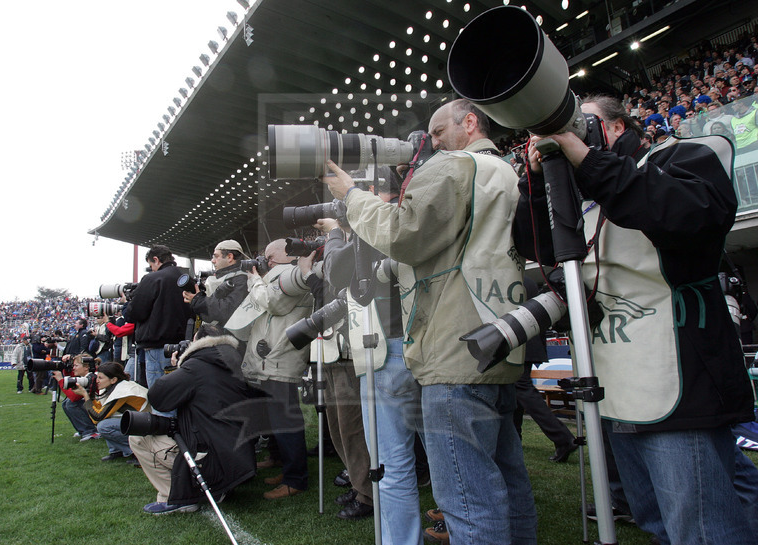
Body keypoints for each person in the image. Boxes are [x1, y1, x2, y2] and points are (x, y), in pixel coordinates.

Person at [514, 93, 756, 545]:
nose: (566, 133)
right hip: (616, 386)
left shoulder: (685, 154)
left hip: (678, 379)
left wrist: (585, 158)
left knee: (702, 529)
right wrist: (535, 182)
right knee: (656, 520)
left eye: (580, 123)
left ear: (617, 127)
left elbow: (690, 214)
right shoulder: (588, 194)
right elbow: (540, 250)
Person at [322, 98, 537, 544]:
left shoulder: (457, 166)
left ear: (470, 122)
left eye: (438, 132)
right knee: (508, 487)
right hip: (497, 338)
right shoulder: (505, 169)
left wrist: (351, 195)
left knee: (469, 499)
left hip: (454, 351)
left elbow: (403, 236)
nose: (430, 143)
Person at [318, 166, 423, 534]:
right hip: (425, 345)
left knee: (393, 463)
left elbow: (336, 270)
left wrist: (335, 234)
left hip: (387, 347)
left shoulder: (378, 224)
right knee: (445, 458)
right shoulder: (416, 214)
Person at [130, 324, 256, 515]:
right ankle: (217, 489)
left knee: (138, 439)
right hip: (237, 460)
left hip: (210, 460)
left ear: (198, 343)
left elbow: (158, 397)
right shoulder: (234, 362)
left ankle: (176, 497)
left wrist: (177, 367)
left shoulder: (196, 367)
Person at [241, 239, 315, 500]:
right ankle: (287, 471)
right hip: (273, 357)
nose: (266, 262)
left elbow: (272, 303)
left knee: (287, 422)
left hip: (281, 356)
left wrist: (254, 280)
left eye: (270, 258)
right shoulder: (281, 275)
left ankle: (296, 479)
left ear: (288, 256)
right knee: (279, 421)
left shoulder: (294, 274)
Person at [513, 278, 577, 463]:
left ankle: (563, 438)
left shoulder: (515, 279)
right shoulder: (527, 280)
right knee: (517, 394)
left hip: (520, 344)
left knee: (522, 390)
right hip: (529, 344)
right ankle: (516, 440)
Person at [124, 245, 193, 388]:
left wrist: (128, 303)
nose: (151, 269)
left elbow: (135, 313)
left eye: (151, 265)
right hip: (183, 347)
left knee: (160, 398)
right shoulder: (186, 278)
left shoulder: (153, 279)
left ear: (155, 259)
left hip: (158, 347)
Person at [74, 361, 149, 462]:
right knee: (106, 419)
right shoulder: (114, 387)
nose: (97, 381)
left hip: (146, 426)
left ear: (113, 379)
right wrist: (90, 395)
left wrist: (85, 395)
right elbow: (100, 409)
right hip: (139, 421)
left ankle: (137, 451)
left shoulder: (122, 390)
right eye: (97, 377)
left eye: (100, 378)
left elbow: (97, 417)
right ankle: (116, 450)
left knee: (104, 425)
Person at [183, 240, 248, 328]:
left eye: (216, 256)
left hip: (229, 337)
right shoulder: (231, 278)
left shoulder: (242, 280)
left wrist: (199, 301)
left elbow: (226, 310)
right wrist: (194, 299)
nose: (213, 261)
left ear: (230, 257)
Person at [51, 354, 99, 441]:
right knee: (66, 403)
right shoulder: (88, 375)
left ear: (86, 367)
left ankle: (90, 431)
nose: (73, 368)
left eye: (76, 365)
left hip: (100, 408)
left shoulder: (91, 378)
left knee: (71, 403)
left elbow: (74, 397)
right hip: (97, 406)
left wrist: (61, 380)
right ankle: (82, 430)